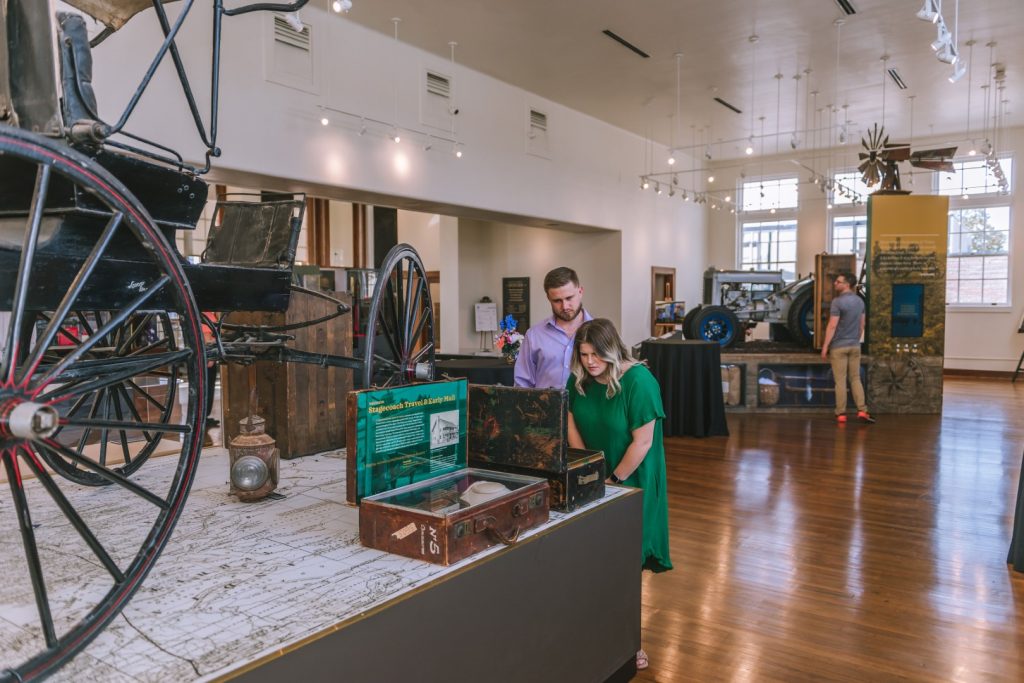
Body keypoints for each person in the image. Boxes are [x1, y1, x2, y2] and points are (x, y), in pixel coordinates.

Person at [565, 318, 672, 671]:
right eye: (583, 354)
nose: (590, 362)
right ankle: (594, 633)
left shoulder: (639, 381)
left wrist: (613, 480)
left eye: (596, 354)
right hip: (594, 479)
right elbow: (572, 427)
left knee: (625, 566)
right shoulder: (579, 379)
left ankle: (629, 644)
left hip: (631, 480)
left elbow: (642, 442)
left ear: (612, 348)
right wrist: (586, 471)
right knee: (593, 562)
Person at [514, 266, 593, 388]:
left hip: (586, 406)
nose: (565, 306)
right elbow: (522, 385)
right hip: (544, 406)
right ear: (548, 298)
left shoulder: (601, 332)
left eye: (569, 298)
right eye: (557, 301)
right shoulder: (534, 335)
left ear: (580, 292)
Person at [820, 272, 875, 424]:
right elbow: (862, 324)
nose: (835, 284)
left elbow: (832, 326)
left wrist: (825, 346)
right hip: (855, 346)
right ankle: (862, 411)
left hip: (838, 347)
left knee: (840, 381)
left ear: (847, 284)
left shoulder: (837, 302)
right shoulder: (860, 302)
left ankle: (841, 413)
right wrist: (855, 340)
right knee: (856, 379)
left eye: (838, 282)